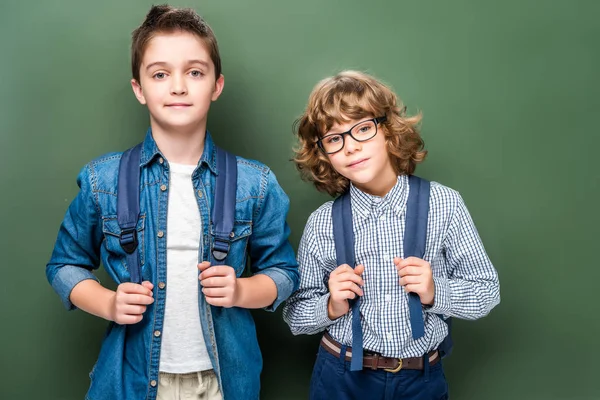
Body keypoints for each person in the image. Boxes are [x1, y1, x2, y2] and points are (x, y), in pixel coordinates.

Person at [45, 5, 298, 400]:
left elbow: (283, 272)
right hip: (130, 381)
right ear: (139, 89)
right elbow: (63, 265)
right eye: (160, 74)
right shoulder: (103, 180)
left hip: (223, 384)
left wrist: (241, 291)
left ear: (216, 85)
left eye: (195, 72)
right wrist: (108, 302)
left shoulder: (256, 183)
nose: (178, 86)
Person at [283, 70, 500, 399]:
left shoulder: (445, 204)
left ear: (388, 130)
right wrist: (331, 305)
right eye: (334, 138)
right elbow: (295, 314)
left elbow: (486, 292)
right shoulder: (322, 223)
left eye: (363, 129)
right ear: (324, 152)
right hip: (341, 377)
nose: (351, 147)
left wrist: (434, 291)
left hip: (420, 378)